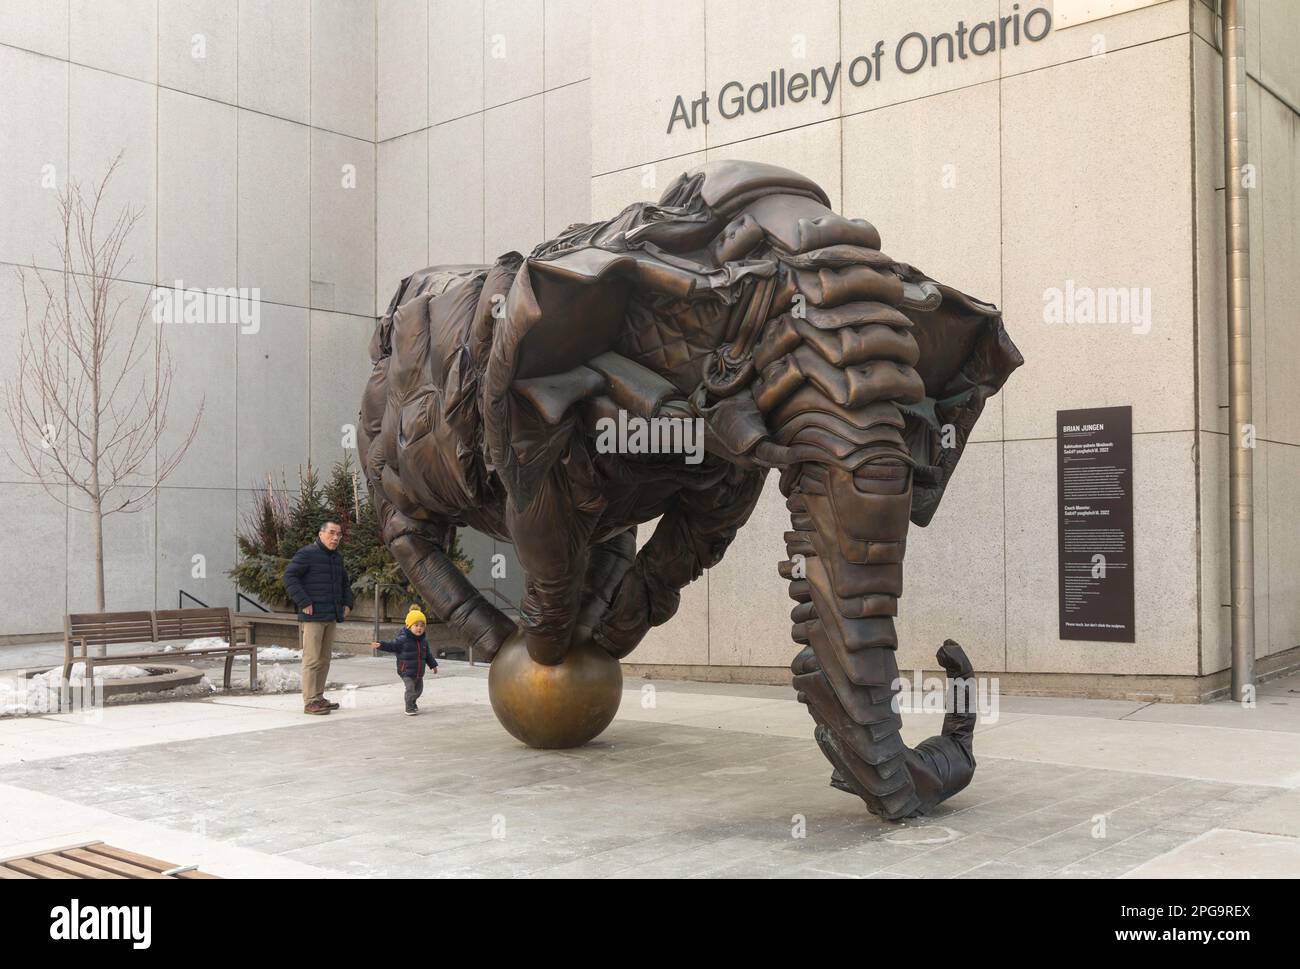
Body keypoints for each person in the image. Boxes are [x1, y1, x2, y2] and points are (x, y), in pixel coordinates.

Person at [283, 519, 353, 715]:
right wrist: (304, 602)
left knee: (324, 660)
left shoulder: (336, 558)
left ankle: (319, 697)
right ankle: (310, 701)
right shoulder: (307, 554)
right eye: (332, 533)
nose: (335, 537)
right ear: (321, 533)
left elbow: (344, 583)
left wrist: (347, 603)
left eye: (338, 534)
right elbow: (289, 577)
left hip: (330, 615)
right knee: (312, 659)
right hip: (313, 617)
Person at [371, 607, 439, 716]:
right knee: (410, 689)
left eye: (422, 626)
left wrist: (433, 665)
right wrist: (381, 645)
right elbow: (392, 645)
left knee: (419, 690)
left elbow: (428, 655)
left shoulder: (424, 641)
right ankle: (409, 707)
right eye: (416, 625)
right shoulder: (403, 639)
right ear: (409, 626)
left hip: (418, 672)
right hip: (406, 671)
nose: (419, 628)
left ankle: (412, 702)